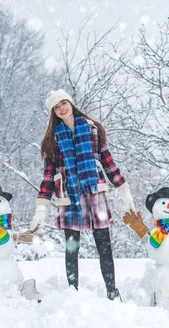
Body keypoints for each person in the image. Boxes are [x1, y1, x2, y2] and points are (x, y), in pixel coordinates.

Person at [30, 90, 135, 301]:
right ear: (53, 112)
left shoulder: (92, 129)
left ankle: (112, 291)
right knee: (72, 247)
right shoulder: (53, 140)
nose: (62, 108)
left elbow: (107, 161)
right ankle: (73, 293)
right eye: (56, 107)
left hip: (95, 192)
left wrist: (124, 189)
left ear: (70, 102)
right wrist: (41, 207)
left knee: (104, 246)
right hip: (68, 196)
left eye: (64, 102)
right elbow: (49, 176)